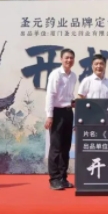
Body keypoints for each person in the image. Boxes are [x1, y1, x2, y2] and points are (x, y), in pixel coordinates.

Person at [45, 49, 77, 191]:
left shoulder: (73, 76)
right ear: (61, 59)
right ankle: (54, 179)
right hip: (57, 113)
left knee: (66, 147)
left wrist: (73, 102)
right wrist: (50, 115)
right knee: (56, 147)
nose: (69, 60)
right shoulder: (55, 74)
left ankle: (63, 177)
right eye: (66, 58)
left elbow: (69, 95)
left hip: (68, 112)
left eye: (71, 58)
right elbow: (50, 95)